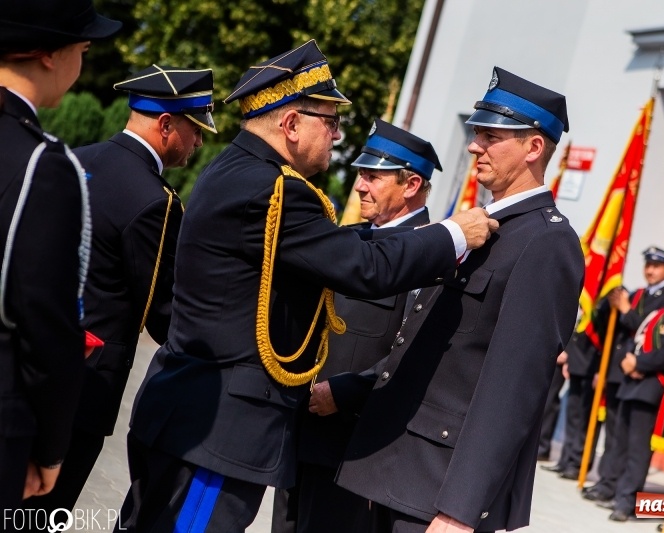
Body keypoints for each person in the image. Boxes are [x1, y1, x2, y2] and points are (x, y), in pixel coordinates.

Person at [117, 40, 496, 533]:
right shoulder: (275, 189)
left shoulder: (232, 170)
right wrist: (453, 233)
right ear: (292, 124)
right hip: (222, 430)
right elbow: (366, 268)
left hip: (190, 413)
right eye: (330, 121)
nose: (337, 136)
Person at [318, 66, 585, 532]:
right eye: (476, 133)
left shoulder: (546, 243)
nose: (473, 146)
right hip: (394, 464)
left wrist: (463, 508)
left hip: (438, 490)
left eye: (490, 136)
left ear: (534, 147)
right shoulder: (476, 225)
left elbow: (513, 390)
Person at [24, 65, 217, 516]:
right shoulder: (155, 201)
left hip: (27, 359)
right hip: (83, 388)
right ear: (166, 124)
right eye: (194, 130)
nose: (199, 143)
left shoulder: (73, 158)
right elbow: (164, 312)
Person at [272, 118, 442, 533]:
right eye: (360, 175)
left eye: (373, 177)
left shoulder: (429, 253)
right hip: (301, 432)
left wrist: (347, 392)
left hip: (355, 446)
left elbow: (415, 351)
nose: (360, 186)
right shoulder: (348, 237)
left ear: (412, 184)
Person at [0, 0, 120, 511]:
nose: (82, 63)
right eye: (83, 49)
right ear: (50, 54)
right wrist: (51, 448)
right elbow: (46, 324)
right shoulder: (41, 164)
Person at [597, 272, 664, 522]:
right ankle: (612, 490)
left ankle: (627, 501)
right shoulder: (657, 315)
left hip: (652, 388)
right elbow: (635, 340)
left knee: (637, 450)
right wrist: (627, 361)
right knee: (618, 441)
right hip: (630, 384)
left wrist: (638, 363)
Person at [581, 246, 664, 502]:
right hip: (617, 371)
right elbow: (616, 335)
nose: (651, 271)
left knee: (632, 439)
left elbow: (646, 332)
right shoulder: (637, 294)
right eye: (648, 265)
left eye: (657, 266)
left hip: (640, 376)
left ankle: (622, 489)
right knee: (614, 433)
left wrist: (625, 310)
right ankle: (606, 483)